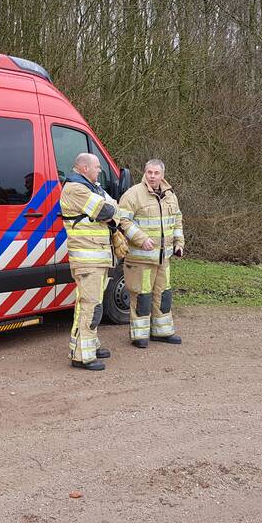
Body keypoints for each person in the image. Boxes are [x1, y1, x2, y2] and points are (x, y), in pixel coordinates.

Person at [60, 153, 153, 370]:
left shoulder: (92, 188)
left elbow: (113, 207)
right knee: (89, 307)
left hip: (98, 259)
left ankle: (90, 345)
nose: (100, 170)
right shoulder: (75, 188)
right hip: (88, 260)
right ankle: (82, 356)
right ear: (83, 168)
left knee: (94, 306)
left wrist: (112, 211)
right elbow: (107, 210)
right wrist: (111, 211)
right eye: (97, 166)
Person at [118, 159, 185, 348]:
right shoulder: (133, 194)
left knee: (163, 295)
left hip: (163, 259)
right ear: (144, 173)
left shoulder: (170, 195)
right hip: (140, 259)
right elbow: (122, 220)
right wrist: (141, 238)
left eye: (156, 173)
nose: (152, 176)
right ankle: (139, 336)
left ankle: (162, 332)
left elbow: (177, 220)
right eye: (149, 172)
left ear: (162, 174)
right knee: (142, 297)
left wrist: (179, 243)